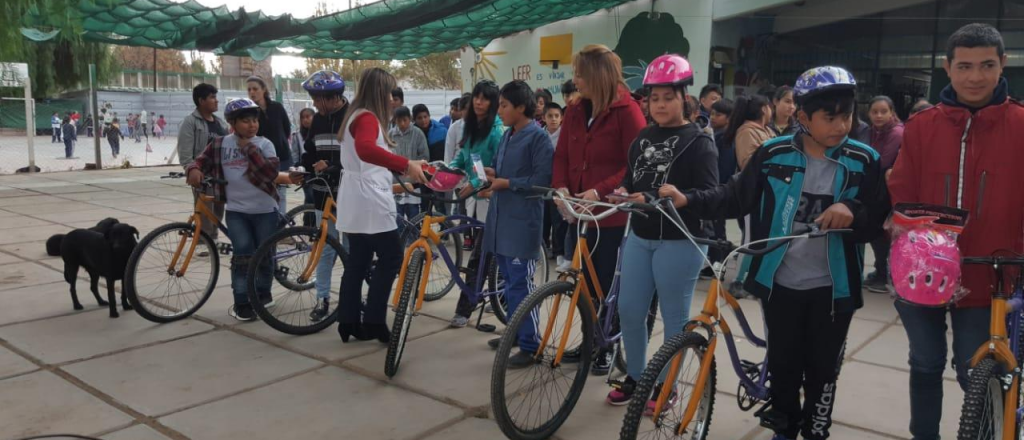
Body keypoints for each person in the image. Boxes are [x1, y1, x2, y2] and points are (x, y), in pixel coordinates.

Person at [679, 66, 888, 440]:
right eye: (830, 118)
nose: (841, 126)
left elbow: (878, 219)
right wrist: (687, 199)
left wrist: (854, 211)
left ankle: (816, 429)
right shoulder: (772, 154)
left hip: (834, 288)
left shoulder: (865, 159)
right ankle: (786, 428)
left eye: (847, 116)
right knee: (784, 365)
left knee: (823, 370)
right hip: (779, 283)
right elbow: (734, 196)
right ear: (802, 116)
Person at [887, 23, 1024, 440]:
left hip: (991, 273)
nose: (975, 76)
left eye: (986, 65)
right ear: (948, 68)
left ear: (1003, 64)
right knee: (925, 363)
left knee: (975, 369)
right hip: (922, 273)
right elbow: (902, 189)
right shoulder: (922, 125)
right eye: (964, 66)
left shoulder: (1020, 124)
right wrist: (902, 229)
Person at [604, 54, 717, 405]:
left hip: (680, 241)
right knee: (630, 309)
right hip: (640, 235)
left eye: (669, 97)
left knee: (674, 318)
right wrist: (624, 192)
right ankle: (637, 378)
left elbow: (712, 194)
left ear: (684, 97)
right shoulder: (642, 138)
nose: (661, 104)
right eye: (654, 98)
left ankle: (665, 387)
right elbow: (632, 178)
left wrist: (675, 197)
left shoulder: (699, 141)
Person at [551, 44, 647, 375]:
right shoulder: (576, 110)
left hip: (611, 216)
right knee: (584, 285)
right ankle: (591, 339)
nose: (575, 80)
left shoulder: (628, 111)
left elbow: (634, 164)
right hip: (578, 211)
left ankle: (607, 344)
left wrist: (600, 190)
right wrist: (561, 188)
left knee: (608, 285)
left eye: (580, 73)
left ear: (598, 75)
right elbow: (562, 154)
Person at [334, 67, 427, 343]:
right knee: (392, 257)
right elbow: (365, 149)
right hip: (369, 198)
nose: (392, 99)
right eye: (389, 92)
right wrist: (405, 163)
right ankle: (374, 319)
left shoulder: (356, 114)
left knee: (358, 260)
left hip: (356, 195)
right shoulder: (368, 118)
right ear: (379, 92)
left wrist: (410, 164)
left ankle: (348, 320)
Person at [185, 98, 281, 321]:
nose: (252, 125)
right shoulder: (220, 144)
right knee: (243, 254)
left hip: (265, 211)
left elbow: (270, 173)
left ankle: (263, 294)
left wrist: (249, 150)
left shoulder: (265, 144)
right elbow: (200, 160)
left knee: (265, 255)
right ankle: (242, 302)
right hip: (237, 211)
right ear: (232, 123)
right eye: (245, 121)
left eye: (254, 120)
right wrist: (192, 169)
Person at [480, 80, 554, 366]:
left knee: (521, 284)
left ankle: (530, 344)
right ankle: (514, 333)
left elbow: (542, 182)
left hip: (522, 223)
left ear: (521, 107)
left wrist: (507, 183)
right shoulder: (508, 135)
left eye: (504, 105)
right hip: (501, 221)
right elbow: (503, 171)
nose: (499, 110)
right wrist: (491, 173)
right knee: (509, 284)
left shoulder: (538, 138)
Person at [448, 80, 504, 328]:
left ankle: (465, 308)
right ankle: (498, 296)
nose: (479, 102)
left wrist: (478, 184)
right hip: (475, 198)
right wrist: (445, 172)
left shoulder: (498, 131)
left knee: (479, 258)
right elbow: (462, 158)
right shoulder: (470, 126)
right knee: (487, 256)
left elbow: (498, 171)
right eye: (476, 98)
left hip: (493, 200)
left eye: (485, 98)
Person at [299, 70, 349, 322]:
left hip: (349, 197)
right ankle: (323, 299)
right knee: (324, 249)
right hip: (322, 196)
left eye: (318, 99)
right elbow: (309, 150)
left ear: (333, 97)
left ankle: (352, 300)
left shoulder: (352, 118)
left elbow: (356, 158)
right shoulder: (318, 120)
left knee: (350, 251)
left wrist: (332, 167)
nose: (315, 105)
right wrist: (303, 167)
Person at [177, 83, 230, 252]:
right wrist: (191, 169)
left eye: (216, 97)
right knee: (204, 210)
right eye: (212, 97)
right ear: (201, 101)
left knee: (218, 210)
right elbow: (185, 152)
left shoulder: (220, 122)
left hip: (220, 174)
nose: (216, 101)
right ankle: (202, 242)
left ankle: (212, 240)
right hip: (202, 175)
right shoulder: (190, 122)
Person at [862, 95, 904, 294]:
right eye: (874, 112)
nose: (878, 116)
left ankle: (885, 275)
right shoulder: (871, 132)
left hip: (888, 194)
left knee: (884, 235)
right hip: (875, 191)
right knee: (877, 234)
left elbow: (882, 161)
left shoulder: (896, 132)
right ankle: (881, 272)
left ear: (891, 112)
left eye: (883, 111)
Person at [247, 75, 294, 214]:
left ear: (264, 90)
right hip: (260, 160)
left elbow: (287, 129)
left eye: (255, 89)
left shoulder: (277, 107)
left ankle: (281, 226)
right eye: (249, 90)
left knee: (281, 193)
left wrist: (279, 144)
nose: (252, 92)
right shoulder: (249, 112)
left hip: (282, 157)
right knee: (264, 193)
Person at [700, 98, 735, 279]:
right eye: (712, 113)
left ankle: (719, 265)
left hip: (720, 189)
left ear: (729, 118)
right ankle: (713, 263)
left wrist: (716, 188)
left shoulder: (726, 138)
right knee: (712, 229)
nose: (713, 117)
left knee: (717, 229)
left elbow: (724, 167)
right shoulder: (715, 134)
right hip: (714, 189)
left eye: (718, 114)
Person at [389, 105, 429, 233]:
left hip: (413, 182)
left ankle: (415, 243)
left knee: (413, 215)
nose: (402, 124)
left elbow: (424, 156)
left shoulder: (418, 133)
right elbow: (387, 157)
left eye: (405, 120)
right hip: (396, 182)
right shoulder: (390, 134)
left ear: (410, 119)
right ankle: (400, 246)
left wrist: (412, 167)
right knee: (397, 216)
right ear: (394, 120)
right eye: (398, 121)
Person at [542, 102, 570, 272]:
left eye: (556, 116)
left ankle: (559, 252)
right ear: (544, 118)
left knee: (558, 220)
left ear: (561, 118)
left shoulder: (564, 136)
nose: (553, 119)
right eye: (550, 116)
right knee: (543, 218)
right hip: (543, 183)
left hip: (558, 184)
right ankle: (544, 250)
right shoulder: (540, 135)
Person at [727, 94, 774, 171]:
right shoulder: (746, 132)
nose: (771, 111)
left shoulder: (768, 130)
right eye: (769, 107)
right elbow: (746, 164)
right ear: (764, 109)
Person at [290, 107, 316, 226]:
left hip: (317, 169)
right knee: (309, 196)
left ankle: (315, 222)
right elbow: (295, 152)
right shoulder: (297, 135)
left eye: (308, 116)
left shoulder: (318, 133)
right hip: (305, 171)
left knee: (316, 198)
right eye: (303, 117)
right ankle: (308, 223)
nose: (305, 120)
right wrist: (296, 165)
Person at [444, 94, 471, 163]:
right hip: (457, 169)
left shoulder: (482, 127)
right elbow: (448, 154)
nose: (467, 111)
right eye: (464, 108)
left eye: (470, 109)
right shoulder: (454, 128)